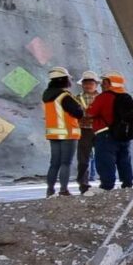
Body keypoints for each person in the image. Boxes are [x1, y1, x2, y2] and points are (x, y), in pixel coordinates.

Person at [87, 71, 133, 190]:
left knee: (105, 160)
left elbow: (90, 113)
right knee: (124, 159)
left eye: (104, 83)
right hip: (124, 134)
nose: (101, 85)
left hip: (105, 134)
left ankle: (107, 185)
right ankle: (127, 183)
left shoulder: (104, 97)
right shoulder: (127, 98)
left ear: (111, 84)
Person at [42, 67, 84, 197]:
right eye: (67, 78)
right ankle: (63, 190)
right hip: (67, 133)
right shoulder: (64, 96)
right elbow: (78, 112)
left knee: (54, 163)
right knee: (65, 163)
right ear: (62, 80)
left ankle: (50, 190)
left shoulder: (46, 96)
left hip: (53, 133)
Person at [75, 71, 100, 195]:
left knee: (103, 157)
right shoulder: (77, 98)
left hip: (99, 130)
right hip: (84, 130)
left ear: (96, 85)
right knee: (83, 159)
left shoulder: (102, 98)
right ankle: (83, 184)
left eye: (91, 83)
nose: (88, 85)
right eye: (85, 83)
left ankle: (105, 183)